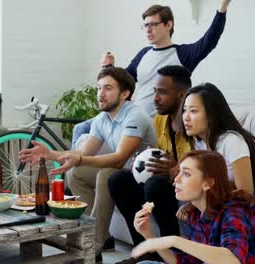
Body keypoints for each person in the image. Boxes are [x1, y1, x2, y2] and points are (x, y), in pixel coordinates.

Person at [19, 67, 156, 260]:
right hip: (120, 176)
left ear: (125, 94)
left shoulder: (135, 115)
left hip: (143, 180)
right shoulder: (102, 118)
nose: (100, 94)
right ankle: (102, 236)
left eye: (108, 88)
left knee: (106, 174)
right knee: (76, 172)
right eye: (99, 88)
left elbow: (119, 159)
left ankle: (93, 244)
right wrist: (50, 154)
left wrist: (79, 158)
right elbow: (82, 154)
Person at [72, 0, 233, 148]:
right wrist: (109, 66)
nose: (148, 30)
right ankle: (67, 175)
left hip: (151, 121)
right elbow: (124, 82)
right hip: (130, 113)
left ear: (168, 25)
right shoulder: (144, 54)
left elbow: (209, 40)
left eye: (153, 25)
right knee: (81, 128)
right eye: (145, 25)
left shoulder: (183, 54)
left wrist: (223, 7)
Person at [132, 150, 255, 264]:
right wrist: (150, 237)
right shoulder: (196, 213)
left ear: (207, 184)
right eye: (179, 172)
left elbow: (232, 260)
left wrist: (174, 240)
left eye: (186, 174)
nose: (176, 179)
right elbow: (183, 261)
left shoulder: (235, 210)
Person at [108, 65, 192, 263]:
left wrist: (176, 168)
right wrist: (142, 163)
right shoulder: (159, 120)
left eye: (162, 92)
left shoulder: (192, 122)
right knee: (118, 179)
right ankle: (144, 250)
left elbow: (202, 167)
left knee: (156, 186)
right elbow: (155, 157)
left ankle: (171, 254)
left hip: (185, 185)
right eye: (155, 91)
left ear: (181, 94)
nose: (155, 98)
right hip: (165, 182)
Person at [180, 83, 255, 229]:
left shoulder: (232, 141)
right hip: (243, 196)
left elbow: (245, 193)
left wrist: (204, 202)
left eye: (193, 111)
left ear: (212, 115)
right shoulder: (199, 141)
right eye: (184, 110)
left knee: (224, 219)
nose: (185, 117)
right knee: (187, 204)